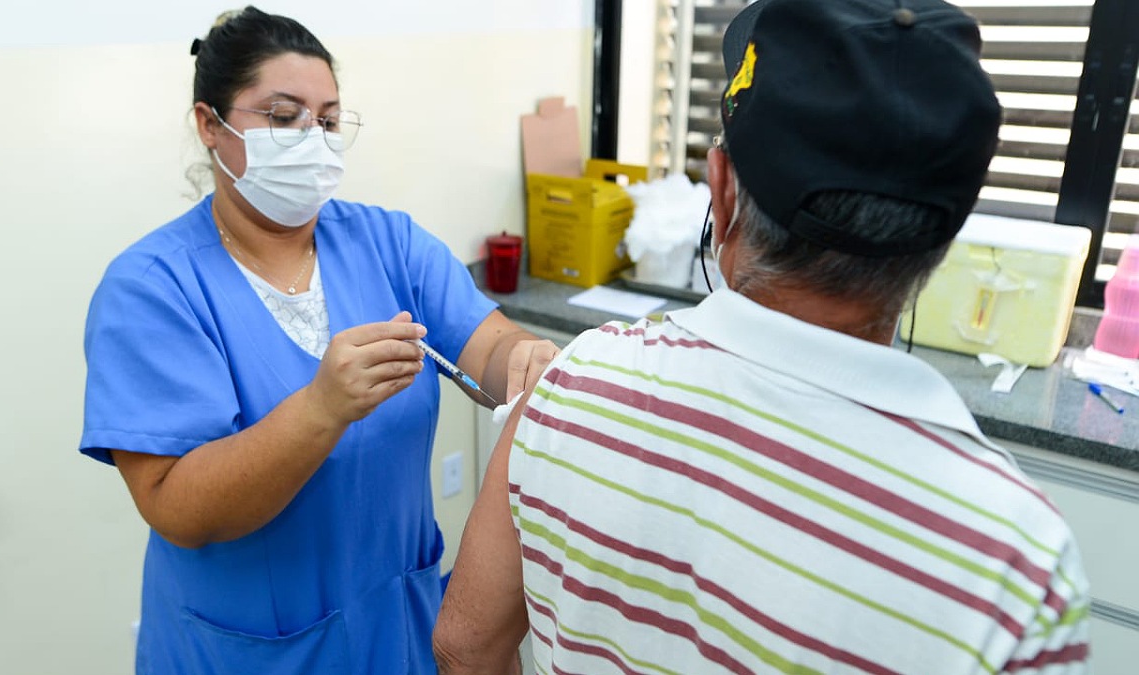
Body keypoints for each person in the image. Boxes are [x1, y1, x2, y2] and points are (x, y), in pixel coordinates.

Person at [432, 0, 1093, 672]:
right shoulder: (1014, 561)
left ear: (719, 194)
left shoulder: (571, 388)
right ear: (938, 244)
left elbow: (466, 645)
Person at [78, 6, 557, 674]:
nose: (311, 138)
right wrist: (321, 408)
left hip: (399, 631)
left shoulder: (390, 242)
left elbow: (490, 348)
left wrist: (526, 361)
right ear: (209, 125)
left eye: (328, 120)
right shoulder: (152, 289)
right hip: (248, 651)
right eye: (283, 117)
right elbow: (175, 504)